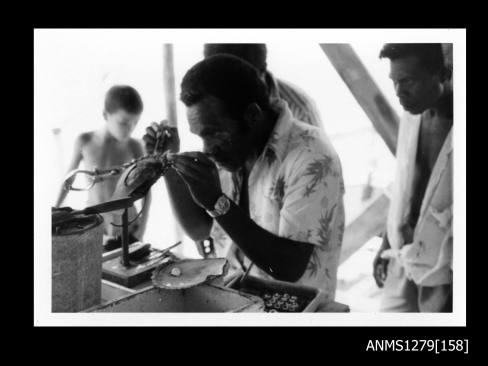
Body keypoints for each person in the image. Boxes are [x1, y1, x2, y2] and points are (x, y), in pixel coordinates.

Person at [143, 55, 345, 297]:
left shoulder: (311, 156)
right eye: (200, 136)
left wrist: (218, 204)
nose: (208, 149)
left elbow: (289, 266)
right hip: (238, 300)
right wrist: (168, 164)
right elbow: (199, 230)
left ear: (252, 116)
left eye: (214, 133)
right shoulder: (234, 149)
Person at [373, 44, 453, 312]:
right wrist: (386, 240)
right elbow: (404, 180)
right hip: (401, 256)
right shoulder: (413, 113)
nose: (398, 92)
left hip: (443, 269)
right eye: (394, 82)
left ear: (442, 74)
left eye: (407, 81)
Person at [55, 85, 151, 251]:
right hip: (95, 224)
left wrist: (142, 228)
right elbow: (68, 179)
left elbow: (147, 189)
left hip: (127, 225)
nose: (130, 129)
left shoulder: (135, 146)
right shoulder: (84, 141)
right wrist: (55, 211)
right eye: (124, 123)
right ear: (106, 115)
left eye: (135, 123)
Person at [203, 44, 323, 129]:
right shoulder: (202, 103)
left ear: (262, 70)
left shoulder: (300, 109)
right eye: (223, 83)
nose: (232, 94)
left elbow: (320, 160)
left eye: (241, 85)